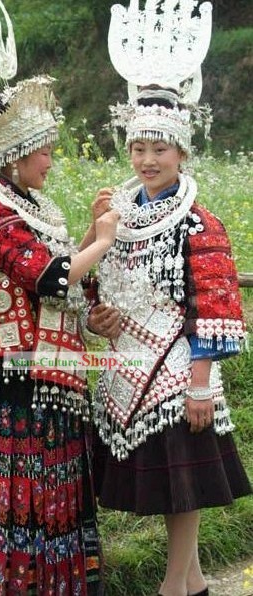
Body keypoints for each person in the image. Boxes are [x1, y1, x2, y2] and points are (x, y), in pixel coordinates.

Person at [85, 2, 252, 596]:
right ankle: (198, 583)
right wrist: (98, 314)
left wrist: (202, 383)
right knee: (168, 485)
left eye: (160, 150)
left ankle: (172, 588)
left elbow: (216, 307)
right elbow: (99, 285)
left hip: (182, 365)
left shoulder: (199, 222)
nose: (148, 161)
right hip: (128, 363)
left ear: (182, 152)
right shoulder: (118, 213)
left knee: (184, 484)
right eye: (139, 150)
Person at [0, 2, 119, 594]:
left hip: (59, 373)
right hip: (21, 382)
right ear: (16, 156)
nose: (53, 160)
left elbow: (58, 270)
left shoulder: (33, 210)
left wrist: (88, 233)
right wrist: (100, 241)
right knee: (27, 499)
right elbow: (50, 279)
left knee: (59, 493)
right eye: (46, 150)